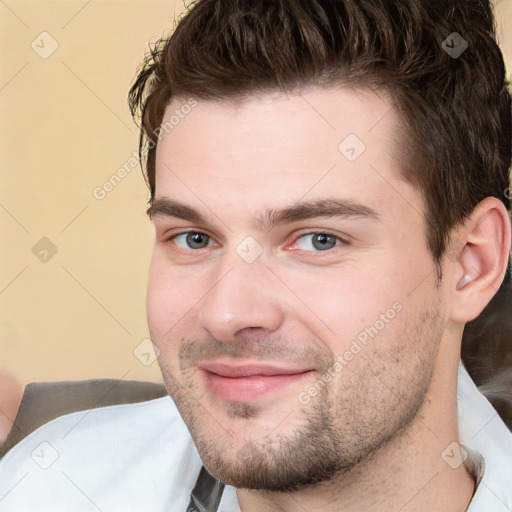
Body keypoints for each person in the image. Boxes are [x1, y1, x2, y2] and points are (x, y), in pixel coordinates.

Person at [0, 0, 511, 510]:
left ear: (471, 264)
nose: (227, 314)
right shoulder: (48, 487)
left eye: (318, 240)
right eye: (194, 238)